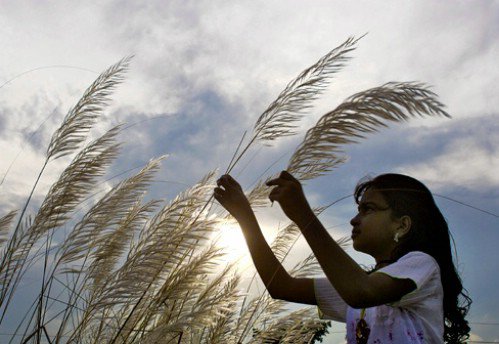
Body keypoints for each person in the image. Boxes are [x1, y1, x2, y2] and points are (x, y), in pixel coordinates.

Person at [213, 171, 471, 343]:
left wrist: (305, 216)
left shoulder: (421, 265)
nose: (354, 219)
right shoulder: (356, 287)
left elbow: (361, 292)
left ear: (401, 225)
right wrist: (244, 216)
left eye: (367, 209)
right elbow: (281, 285)